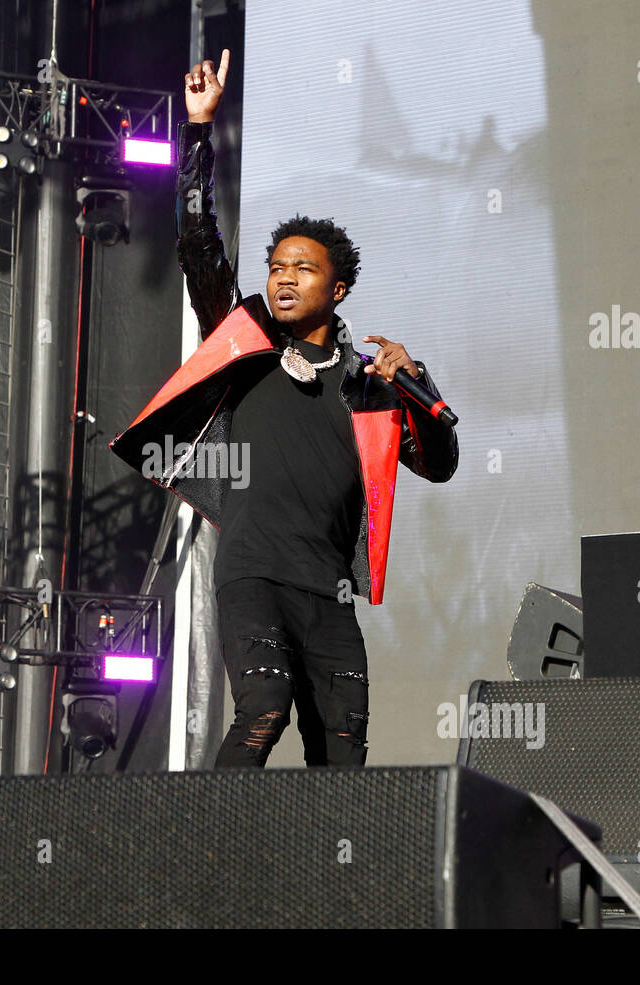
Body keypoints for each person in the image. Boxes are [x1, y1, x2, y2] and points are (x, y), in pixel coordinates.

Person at [110, 49, 458, 768]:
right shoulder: (249, 347)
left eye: (303, 268)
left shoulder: (369, 384)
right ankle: (210, 860)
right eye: (275, 268)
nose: (283, 278)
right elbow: (197, 245)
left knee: (343, 751)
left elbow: (442, 463)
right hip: (253, 572)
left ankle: (325, 874)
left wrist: (416, 385)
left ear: (338, 290)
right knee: (263, 712)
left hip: (327, 590)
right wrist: (199, 130)